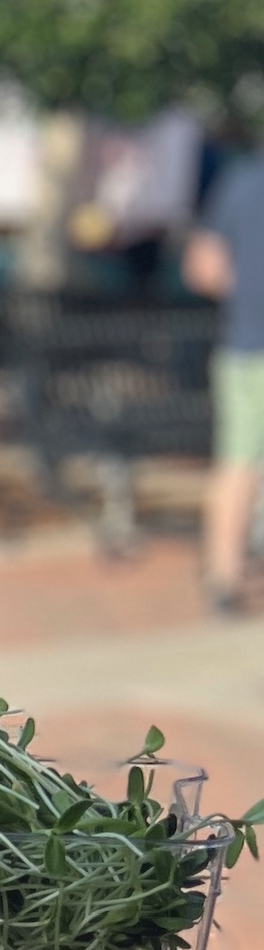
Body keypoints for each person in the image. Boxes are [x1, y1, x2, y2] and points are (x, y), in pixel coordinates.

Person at [183, 154, 264, 612]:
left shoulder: (240, 180)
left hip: (246, 345)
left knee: (237, 462)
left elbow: (203, 269)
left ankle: (224, 577)